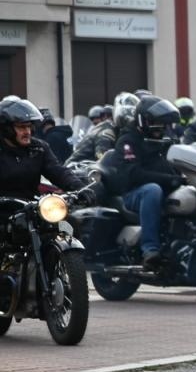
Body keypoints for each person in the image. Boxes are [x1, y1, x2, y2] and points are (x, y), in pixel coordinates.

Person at [101, 96, 184, 271]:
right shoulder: (128, 141)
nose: (160, 127)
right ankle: (150, 249)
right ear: (142, 120)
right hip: (133, 193)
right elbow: (133, 174)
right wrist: (169, 179)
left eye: (164, 124)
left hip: (165, 189)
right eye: (156, 123)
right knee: (152, 190)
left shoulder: (167, 140)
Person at [0, 98, 97, 204]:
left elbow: (58, 171)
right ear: (6, 129)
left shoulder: (38, 148)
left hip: (31, 207)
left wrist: (79, 188)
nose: (27, 132)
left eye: (29, 127)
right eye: (22, 127)